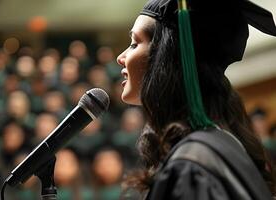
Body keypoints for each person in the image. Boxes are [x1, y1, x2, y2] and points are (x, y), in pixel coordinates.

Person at [116, 0, 276, 199]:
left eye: (134, 43)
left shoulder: (191, 165)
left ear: (165, 55)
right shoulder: (224, 144)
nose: (121, 57)